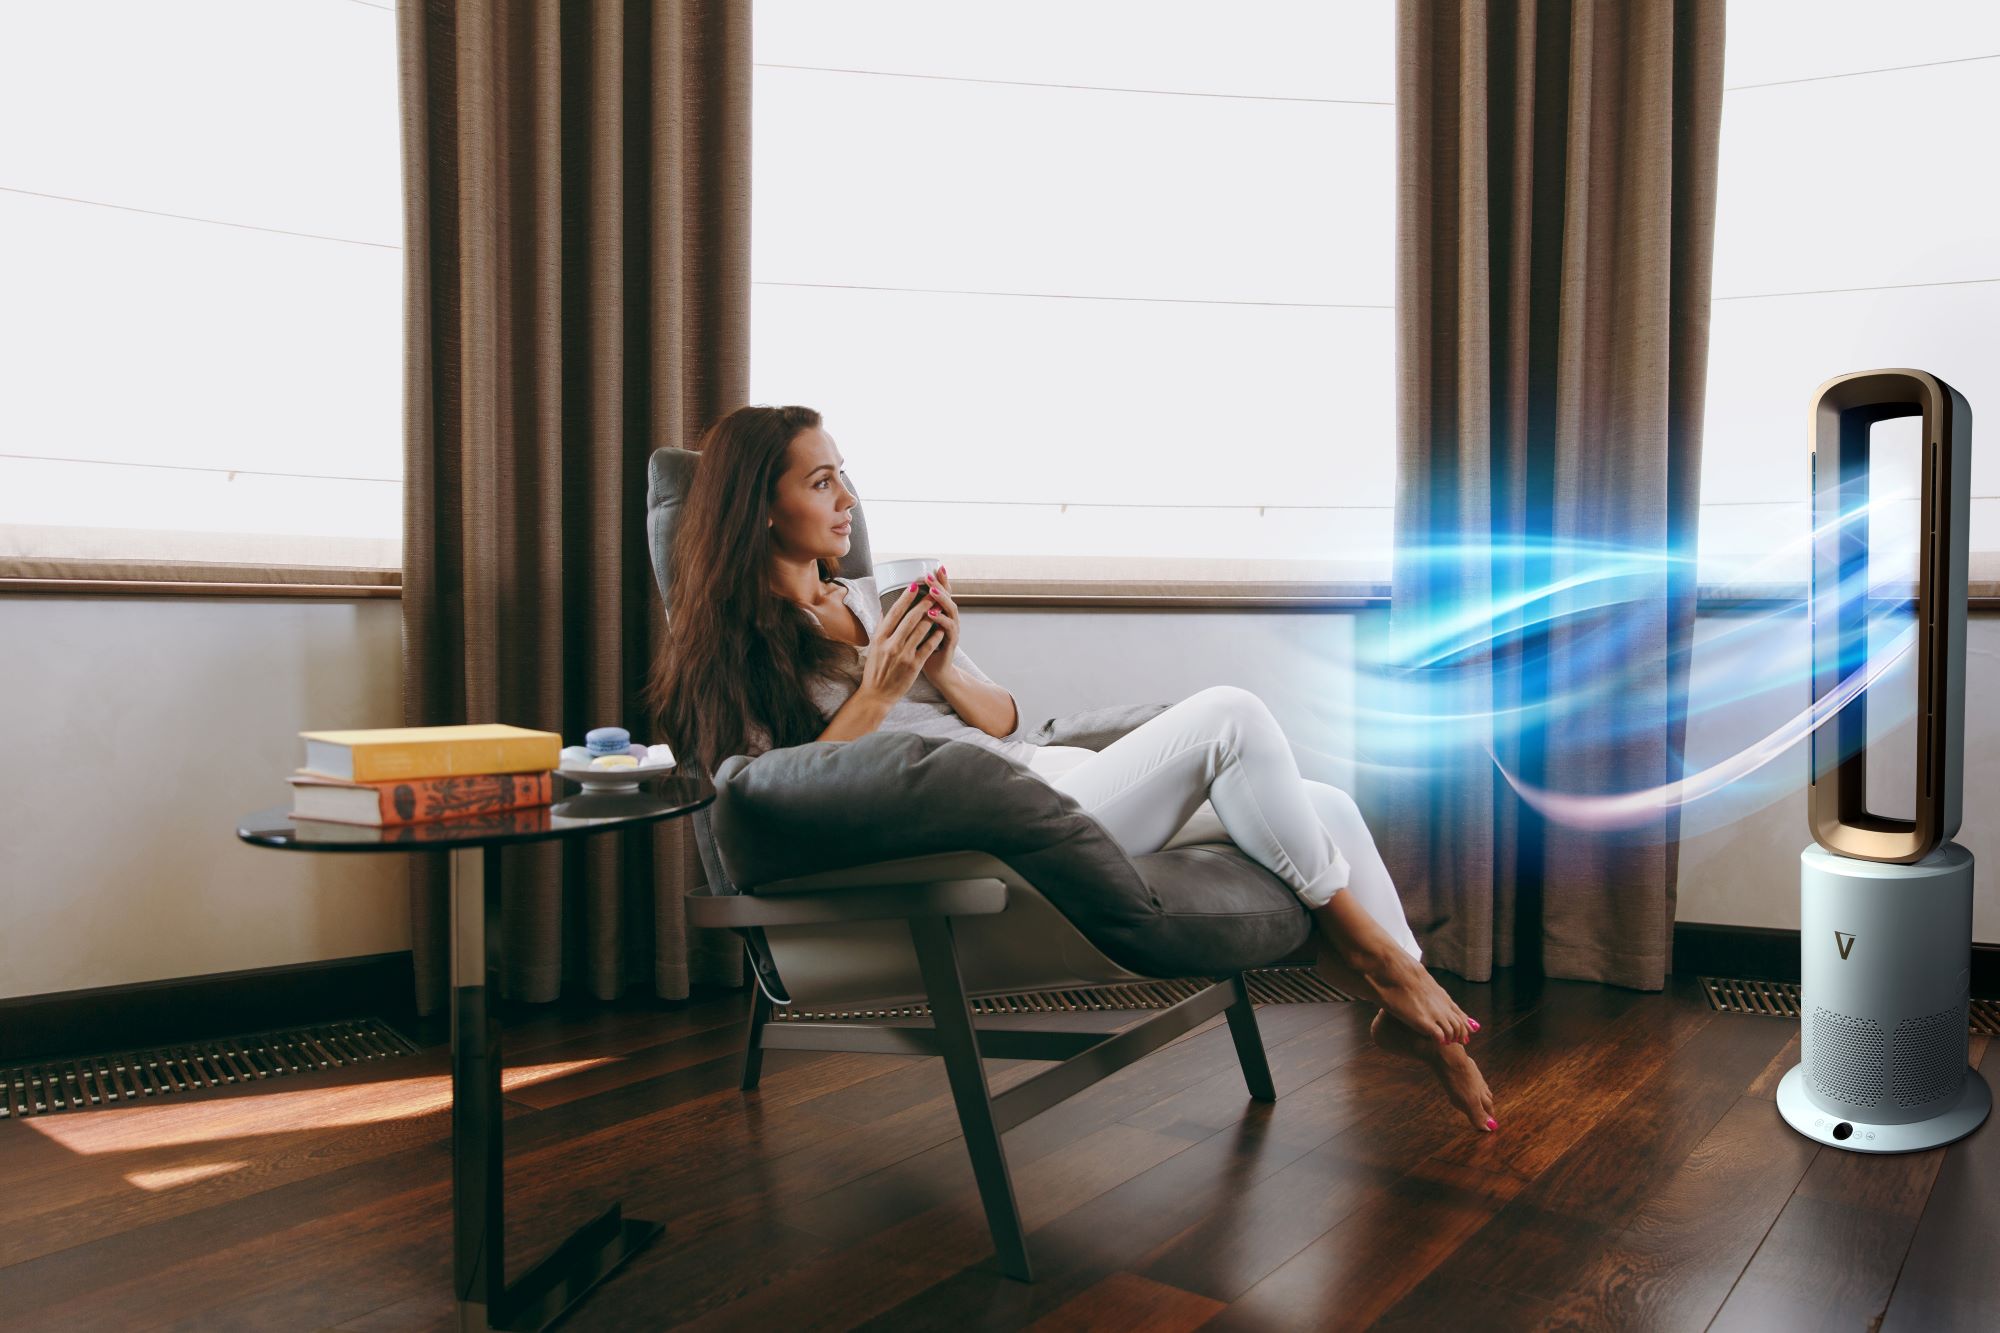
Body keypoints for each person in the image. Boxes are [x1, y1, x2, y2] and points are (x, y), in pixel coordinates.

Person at [648, 405, 1497, 1133]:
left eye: (845, 476)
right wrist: (875, 694)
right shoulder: (727, 639)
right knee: (1232, 716)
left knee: (1324, 804)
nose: (849, 500)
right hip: (989, 827)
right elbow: (761, 799)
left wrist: (942, 663)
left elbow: (1008, 718)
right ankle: (1395, 973)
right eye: (823, 481)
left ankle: (1408, 1008)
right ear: (762, 507)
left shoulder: (872, 598)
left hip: (1033, 777)